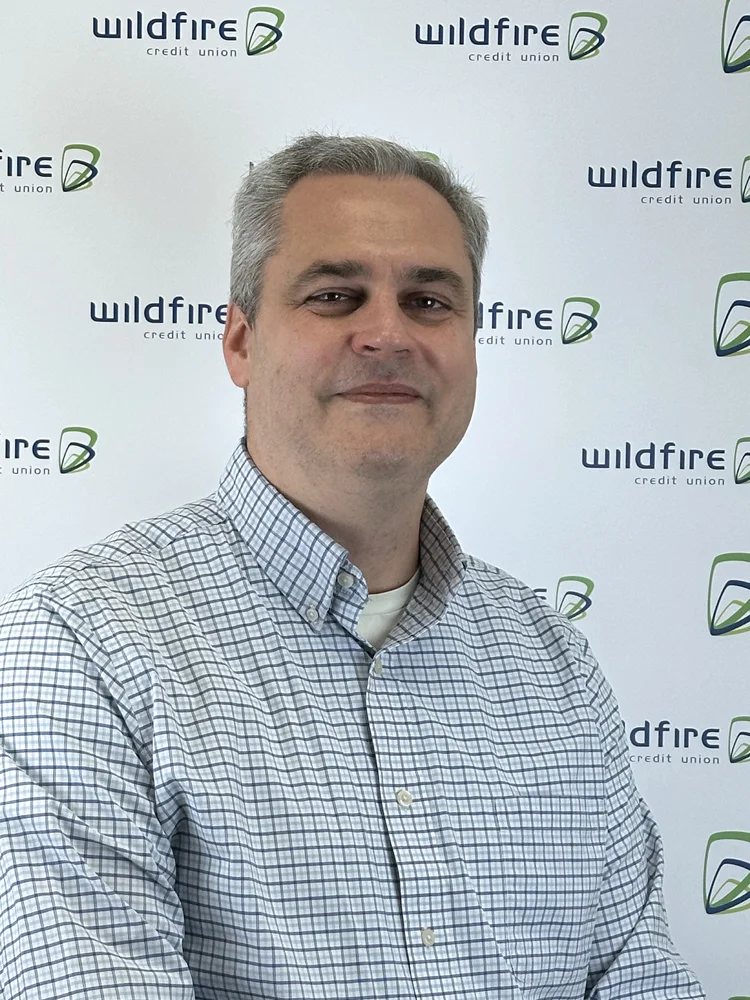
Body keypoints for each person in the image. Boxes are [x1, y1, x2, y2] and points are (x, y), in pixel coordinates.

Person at [0, 133, 704, 1000]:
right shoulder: (81, 646)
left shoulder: (553, 663)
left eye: (429, 301)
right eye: (336, 296)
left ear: (474, 347)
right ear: (242, 342)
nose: (387, 334)